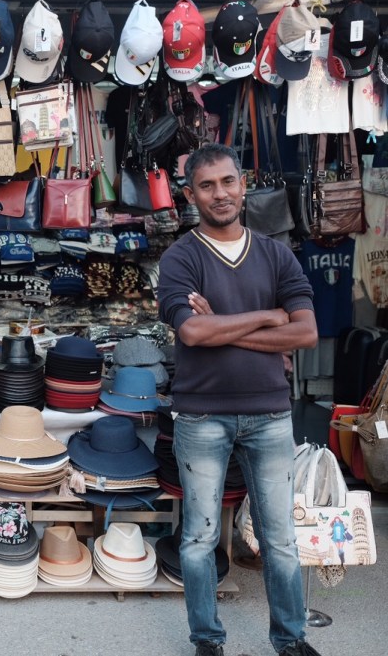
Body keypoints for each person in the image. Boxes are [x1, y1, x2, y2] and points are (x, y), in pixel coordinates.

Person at [157, 144, 320, 656]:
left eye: (228, 181)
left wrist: (223, 328)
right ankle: (207, 639)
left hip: (270, 414)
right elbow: (192, 332)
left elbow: (306, 333)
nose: (220, 193)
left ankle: (290, 640)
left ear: (243, 184)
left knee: (280, 539)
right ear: (190, 195)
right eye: (206, 185)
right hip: (202, 415)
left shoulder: (275, 254)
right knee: (199, 539)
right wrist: (269, 317)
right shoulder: (180, 257)